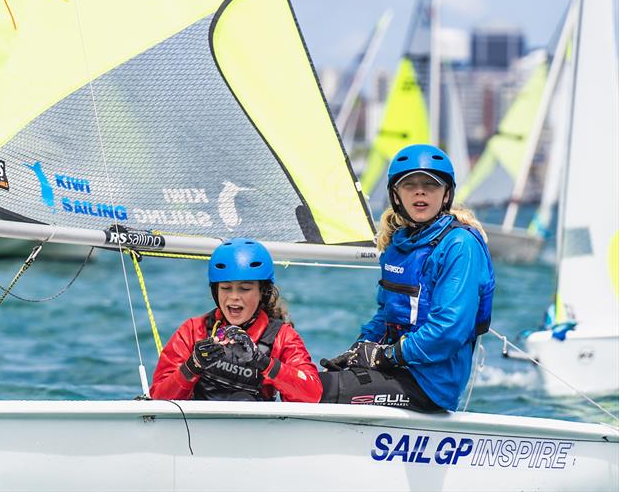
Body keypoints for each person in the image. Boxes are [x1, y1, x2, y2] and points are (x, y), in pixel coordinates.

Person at [320, 144, 495, 412]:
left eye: (431, 184)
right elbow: (386, 315)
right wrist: (360, 349)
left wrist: (386, 356)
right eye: (409, 184)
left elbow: (448, 330)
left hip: (432, 384)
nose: (420, 191)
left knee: (322, 392)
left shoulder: (460, 245)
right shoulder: (397, 245)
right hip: (399, 369)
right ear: (396, 195)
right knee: (313, 382)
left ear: (446, 193)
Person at [150, 238, 323, 402]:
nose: (234, 297)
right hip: (200, 427)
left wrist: (261, 362)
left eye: (245, 289)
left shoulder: (283, 336)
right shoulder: (193, 330)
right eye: (226, 288)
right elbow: (158, 398)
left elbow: (312, 394)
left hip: (256, 428)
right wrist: (192, 365)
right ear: (215, 292)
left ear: (263, 291)